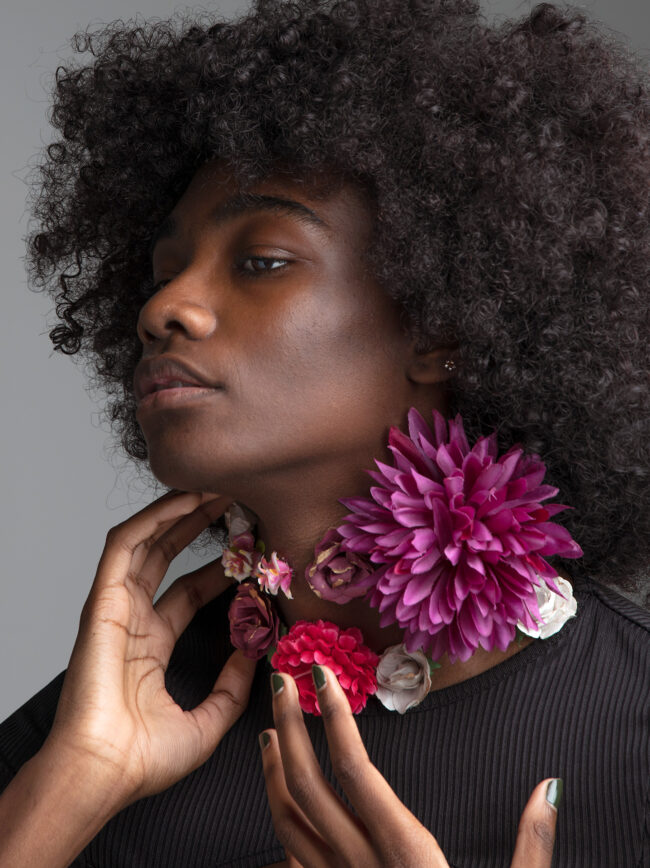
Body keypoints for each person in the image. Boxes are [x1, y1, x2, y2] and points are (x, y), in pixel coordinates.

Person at [1, 0, 648, 866]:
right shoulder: (108, 715)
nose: (163, 308)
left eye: (261, 260)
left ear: (438, 325)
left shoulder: (634, 725)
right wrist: (69, 788)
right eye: (159, 275)